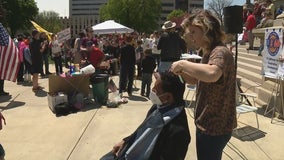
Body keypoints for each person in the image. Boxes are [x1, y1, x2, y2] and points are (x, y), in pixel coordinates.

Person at [170, 10, 237, 160]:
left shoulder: (220, 52)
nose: (190, 37)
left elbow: (212, 74)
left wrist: (183, 63)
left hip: (214, 127)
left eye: (193, 32)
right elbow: (196, 80)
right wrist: (182, 72)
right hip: (207, 124)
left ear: (206, 29)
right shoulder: (208, 52)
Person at [100, 72, 190, 160]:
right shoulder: (158, 107)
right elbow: (142, 130)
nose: (152, 91)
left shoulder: (179, 133)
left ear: (168, 97)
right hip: (129, 150)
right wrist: (126, 141)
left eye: (155, 90)